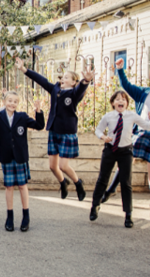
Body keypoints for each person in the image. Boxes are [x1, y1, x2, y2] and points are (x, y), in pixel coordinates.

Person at [102, 58, 150, 221]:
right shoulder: (144, 93)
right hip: (141, 131)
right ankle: (111, 189)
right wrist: (120, 70)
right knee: (126, 160)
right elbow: (127, 86)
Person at [15, 57, 93, 200]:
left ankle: (78, 183)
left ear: (73, 82)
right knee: (52, 166)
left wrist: (86, 81)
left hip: (67, 134)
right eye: (62, 77)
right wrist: (23, 69)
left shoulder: (74, 94)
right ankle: (63, 183)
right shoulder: (55, 89)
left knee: (63, 166)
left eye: (67, 77)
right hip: (54, 131)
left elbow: (81, 89)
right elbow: (41, 80)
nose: (63, 79)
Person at [89, 91, 150, 228]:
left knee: (126, 183)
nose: (121, 101)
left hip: (125, 151)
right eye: (118, 99)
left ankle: (128, 214)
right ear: (113, 103)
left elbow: (147, 126)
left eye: (124, 99)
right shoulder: (108, 116)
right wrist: (103, 137)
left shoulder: (131, 115)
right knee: (103, 179)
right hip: (110, 150)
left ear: (126, 103)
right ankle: (95, 205)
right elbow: (98, 130)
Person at [0, 91, 45, 232]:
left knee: (22, 186)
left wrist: (38, 111)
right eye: (9, 100)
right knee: (9, 187)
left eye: (15, 101)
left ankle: (26, 216)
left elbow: (39, 126)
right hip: (7, 156)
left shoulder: (22, 117)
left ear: (18, 104)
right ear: (4, 101)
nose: (12, 103)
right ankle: (9, 216)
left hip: (20, 157)